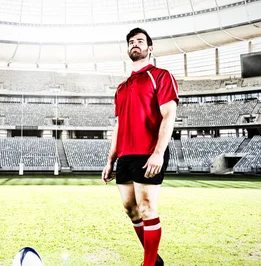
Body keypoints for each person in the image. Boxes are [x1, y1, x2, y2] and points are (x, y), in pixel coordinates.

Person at [102, 28, 179, 266]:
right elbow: (118, 125)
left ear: (150, 48)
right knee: (131, 210)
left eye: (140, 41)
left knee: (146, 207)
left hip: (148, 153)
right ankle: (154, 260)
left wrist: (158, 152)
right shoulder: (121, 88)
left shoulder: (161, 75)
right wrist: (110, 159)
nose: (135, 44)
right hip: (125, 155)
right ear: (128, 49)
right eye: (131, 42)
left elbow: (168, 115)